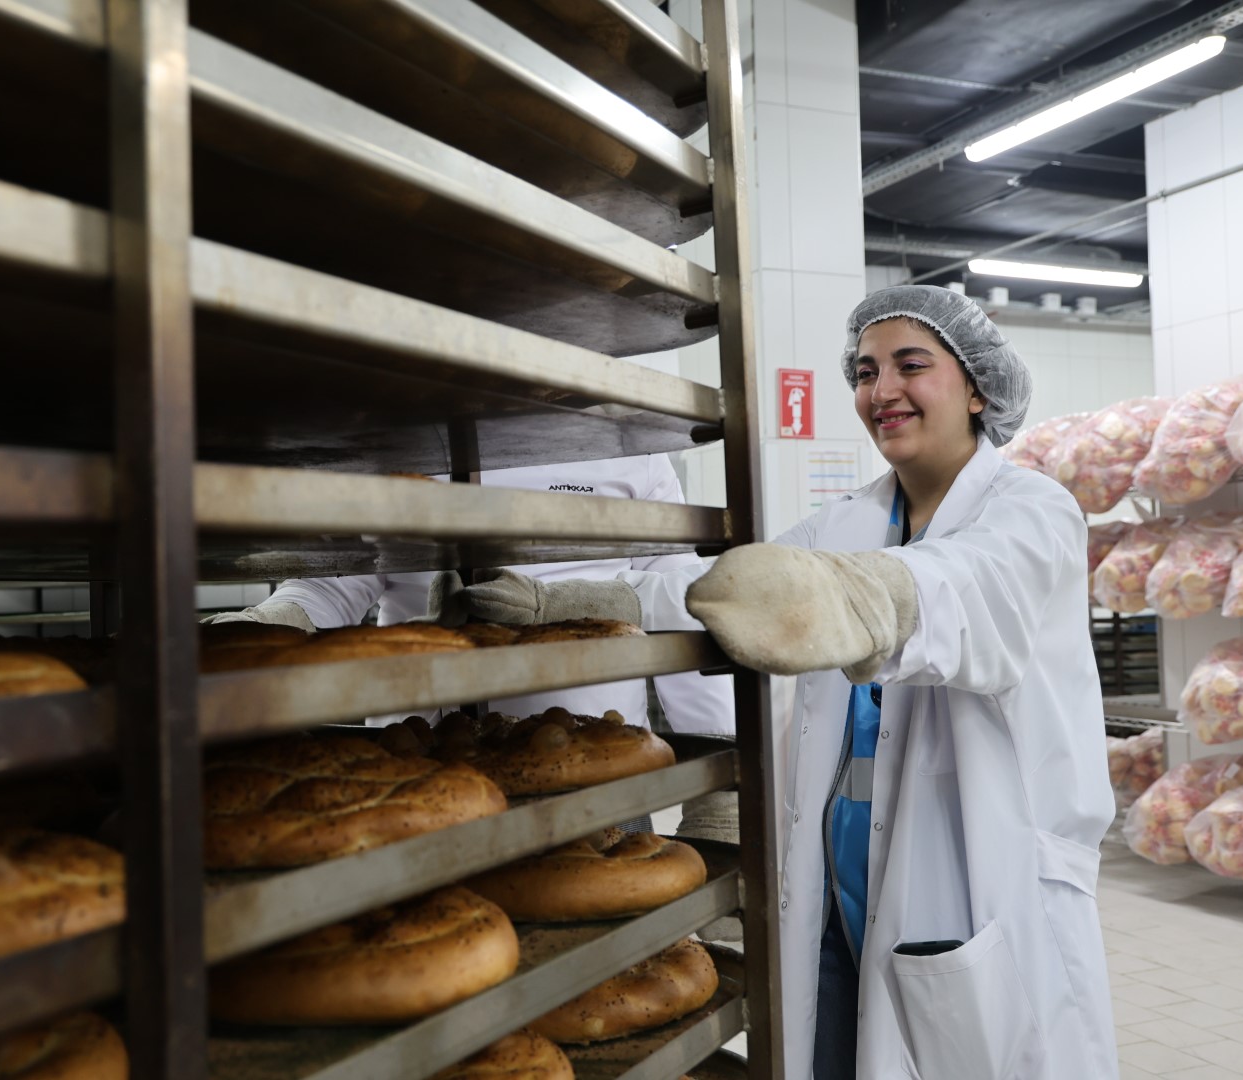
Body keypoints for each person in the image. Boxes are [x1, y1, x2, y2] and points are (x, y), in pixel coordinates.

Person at [449, 286, 1118, 1079]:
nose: (882, 390)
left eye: (911, 366)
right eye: (865, 372)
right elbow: (722, 590)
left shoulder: (1033, 512)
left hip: (973, 876)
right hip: (838, 884)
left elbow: (969, 586)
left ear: (977, 387)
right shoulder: (847, 524)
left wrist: (866, 595)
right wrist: (592, 601)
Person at [207, 454, 734, 737]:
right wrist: (277, 620)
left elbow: (682, 605)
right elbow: (333, 581)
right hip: (421, 750)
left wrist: (717, 761)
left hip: (595, 750)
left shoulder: (631, 449)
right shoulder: (394, 442)